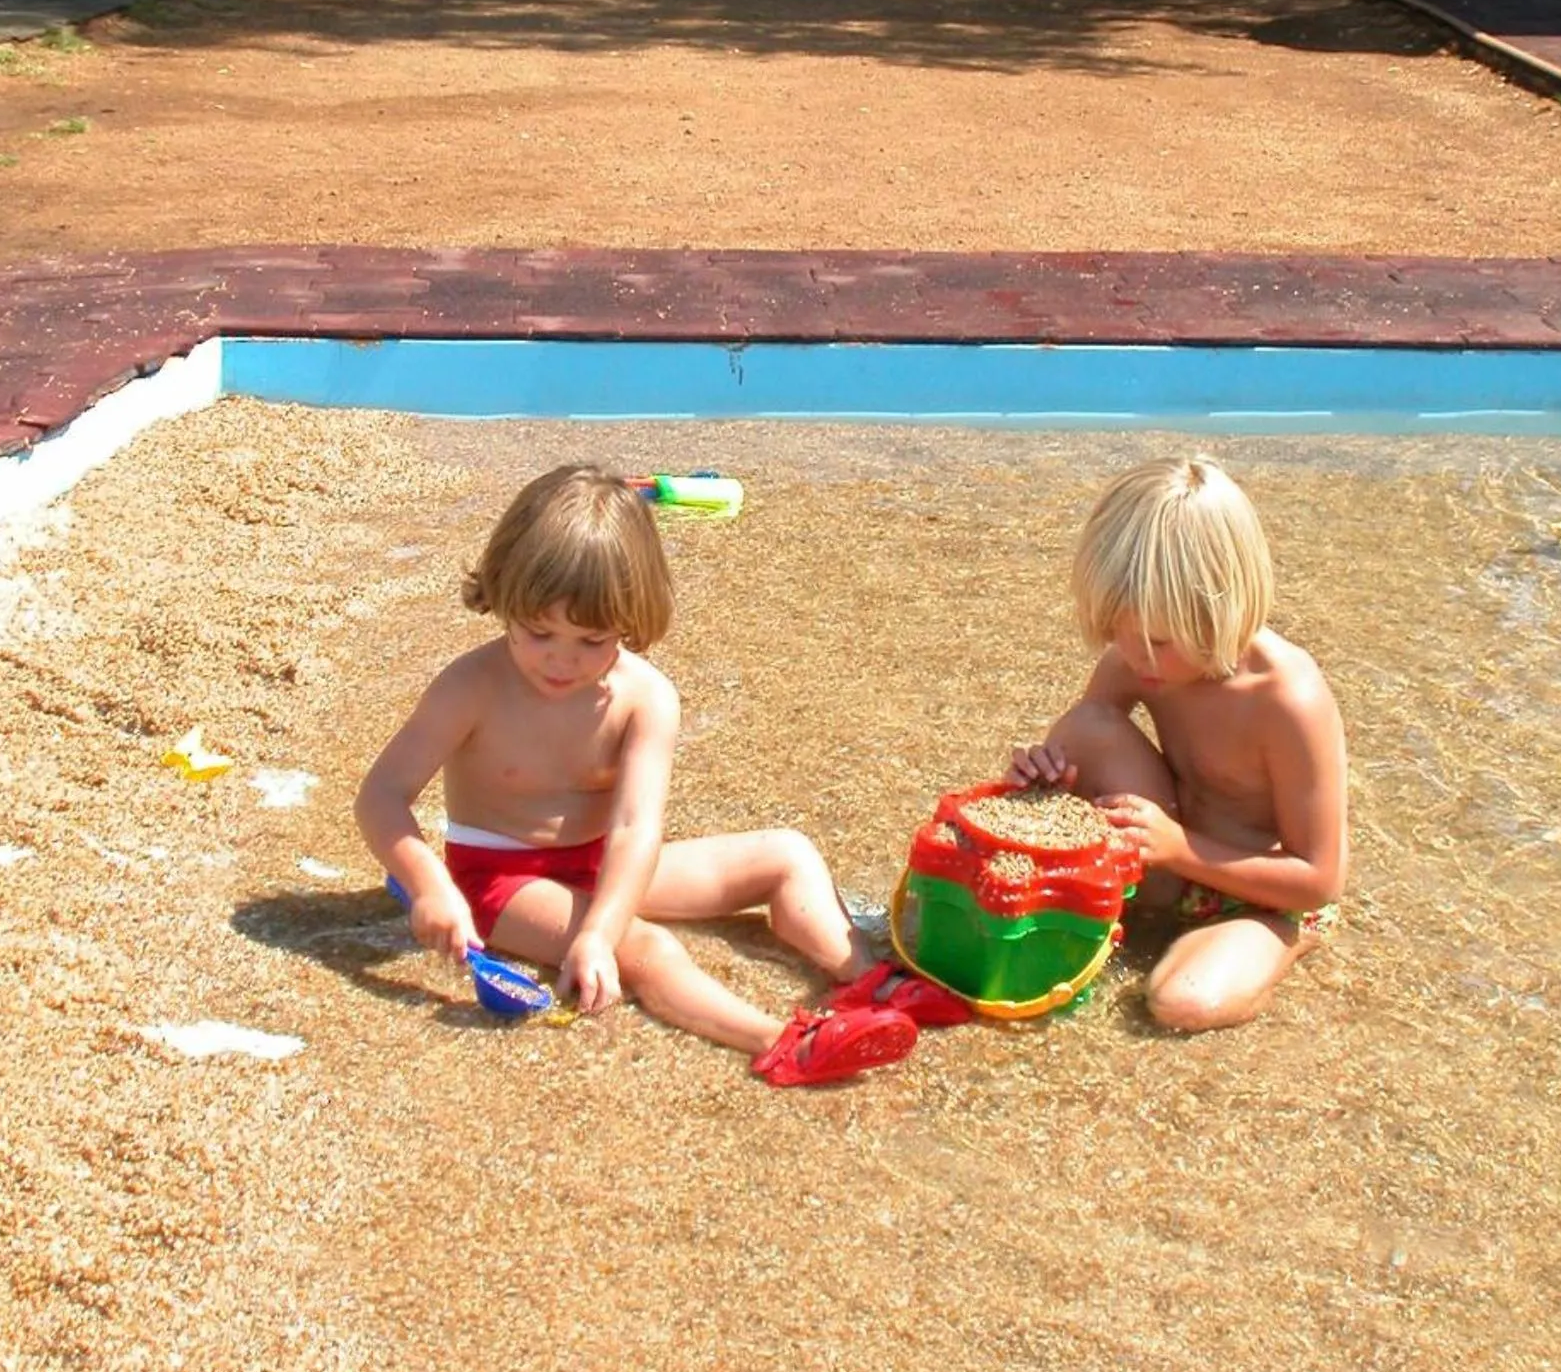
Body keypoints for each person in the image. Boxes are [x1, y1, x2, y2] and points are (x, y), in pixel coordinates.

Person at [353, 463, 939, 1087]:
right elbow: (382, 796)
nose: (562, 658)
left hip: (609, 860)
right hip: (502, 879)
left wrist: (600, 918)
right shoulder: (471, 688)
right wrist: (432, 885)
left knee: (787, 854)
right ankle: (785, 1043)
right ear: (503, 597)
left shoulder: (646, 697)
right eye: (539, 632)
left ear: (630, 619)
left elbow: (636, 829)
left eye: (592, 640)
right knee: (648, 950)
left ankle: (869, 979)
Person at [1010, 454, 1347, 1032]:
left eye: (1158, 641)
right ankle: (1153, 913)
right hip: (1169, 863)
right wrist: (1051, 779)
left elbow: (1320, 880)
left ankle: (1269, 948)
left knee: (1180, 1001)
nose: (1136, 657)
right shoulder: (1142, 657)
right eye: (1120, 633)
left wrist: (1180, 848)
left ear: (1221, 608)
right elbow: (1086, 748)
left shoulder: (1288, 699)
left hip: (1266, 897)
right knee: (1087, 726)